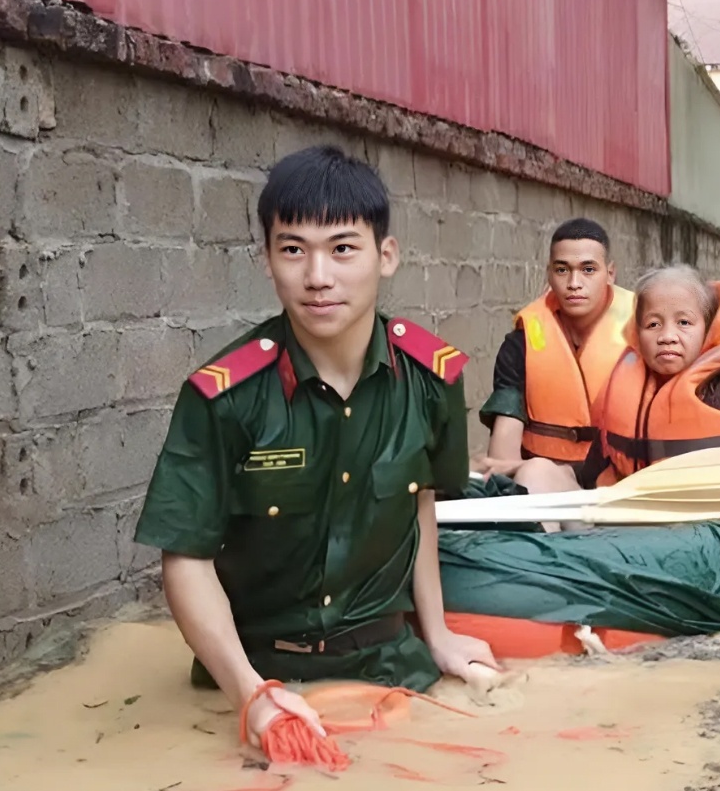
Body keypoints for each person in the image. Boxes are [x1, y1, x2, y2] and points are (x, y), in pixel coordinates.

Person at [133, 146, 496, 747]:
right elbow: (186, 557)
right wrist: (249, 695)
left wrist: (437, 634)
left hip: (392, 668)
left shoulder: (434, 381)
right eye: (293, 249)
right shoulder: (224, 396)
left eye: (343, 248)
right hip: (253, 678)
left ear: (387, 256)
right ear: (267, 260)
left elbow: (420, 504)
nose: (318, 276)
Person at [511, 265, 720, 519]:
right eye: (653, 325)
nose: (668, 336)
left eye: (684, 322)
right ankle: (534, 553)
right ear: (637, 332)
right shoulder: (621, 387)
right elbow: (595, 470)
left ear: (707, 330)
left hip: (704, 529)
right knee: (538, 469)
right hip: (627, 520)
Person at [475, 219, 634, 476]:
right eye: (562, 270)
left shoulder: (645, 331)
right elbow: (502, 457)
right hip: (550, 481)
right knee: (532, 475)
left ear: (610, 274)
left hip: (622, 480)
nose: (574, 283)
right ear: (549, 273)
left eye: (588, 270)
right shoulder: (520, 344)